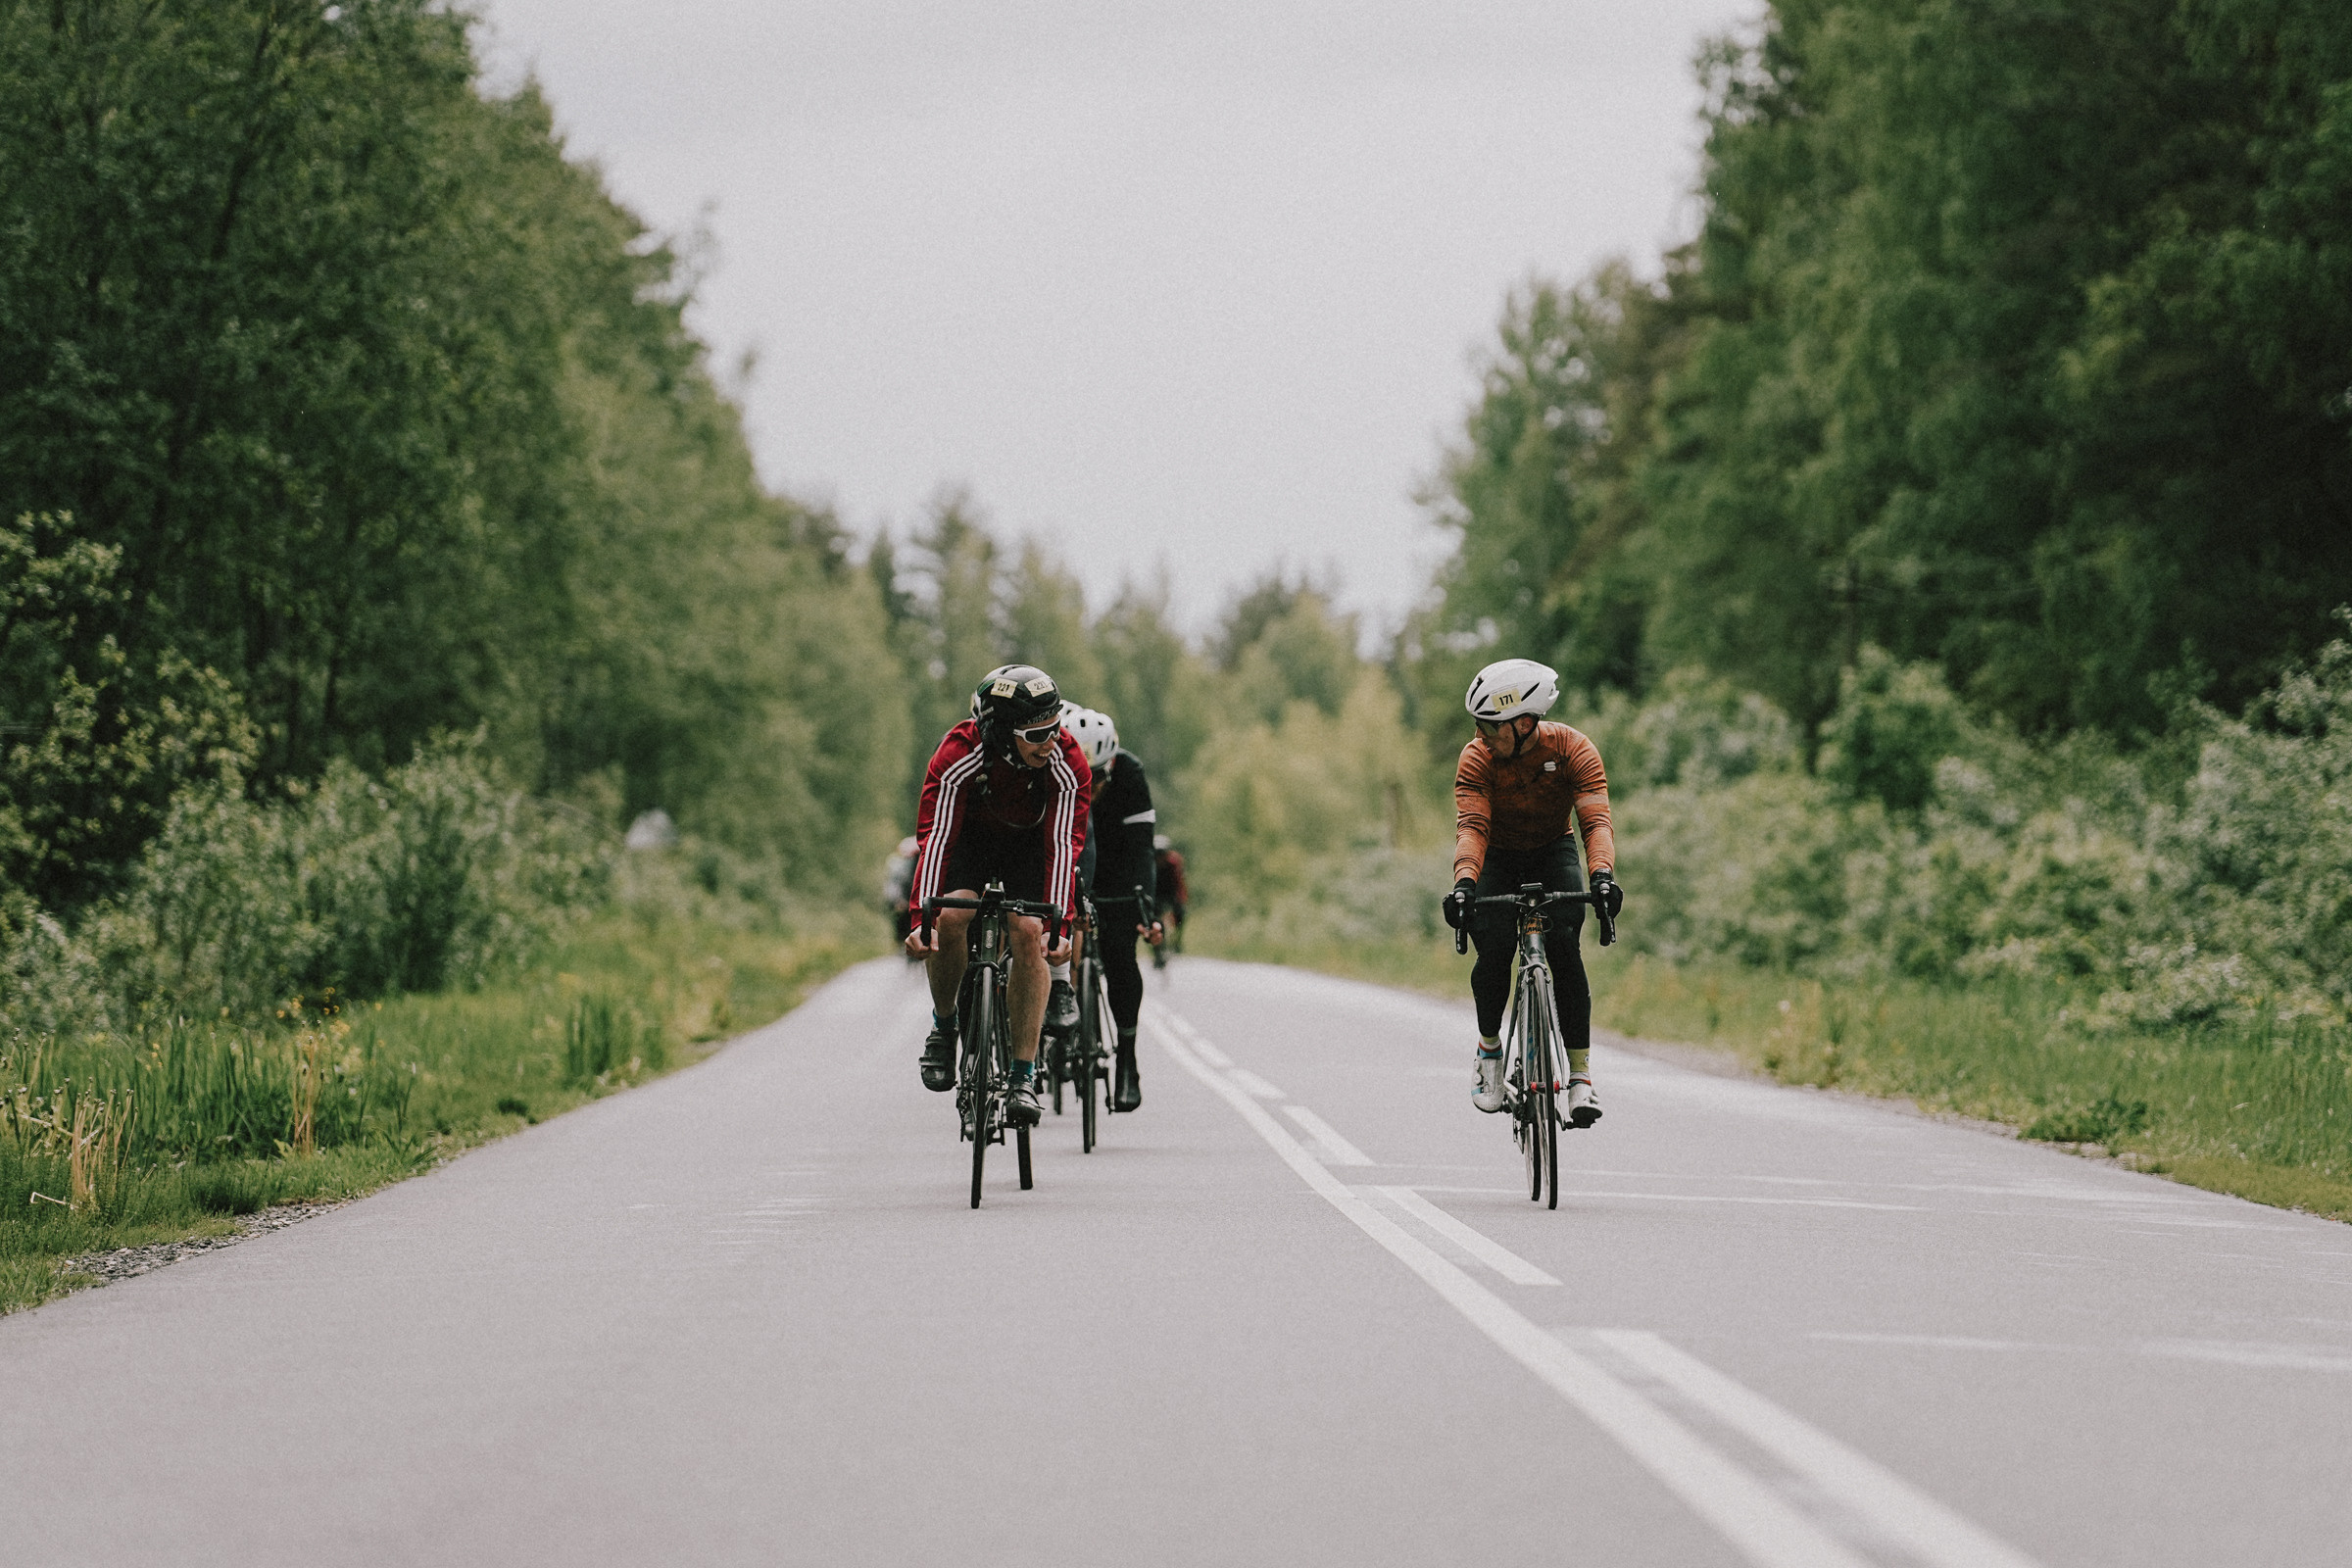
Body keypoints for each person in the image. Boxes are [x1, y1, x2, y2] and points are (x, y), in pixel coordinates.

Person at [1439, 658, 1623, 1127]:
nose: (1480, 735)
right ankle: (1489, 1051)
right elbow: (1472, 827)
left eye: (1489, 726)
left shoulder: (1573, 749)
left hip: (1553, 851)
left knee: (1565, 951)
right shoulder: (1477, 758)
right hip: (1497, 857)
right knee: (1495, 950)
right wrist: (1464, 884)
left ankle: (1580, 1078)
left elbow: (1595, 823)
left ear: (1523, 724)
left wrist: (1602, 876)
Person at [905, 664, 1091, 1127]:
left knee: (1028, 931)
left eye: (1056, 727)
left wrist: (1058, 926)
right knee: (949, 919)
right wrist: (920, 921)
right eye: (1038, 734)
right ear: (1003, 733)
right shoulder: (959, 753)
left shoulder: (1067, 760)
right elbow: (936, 840)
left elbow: (1063, 846)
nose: (1052, 742)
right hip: (970, 839)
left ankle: (1022, 1075)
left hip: (1031, 843)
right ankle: (944, 1027)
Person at [1053, 707, 1161, 1111]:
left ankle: (1127, 1060)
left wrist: (1146, 909)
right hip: (1070, 865)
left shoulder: (1130, 773)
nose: (1091, 785)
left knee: (1120, 956)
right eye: (1084, 774)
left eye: (1098, 776)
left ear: (1112, 765)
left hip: (1117, 868)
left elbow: (1143, 848)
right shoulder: (1054, 772)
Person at [1152, 834, 1187, 967]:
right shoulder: (1150, 863)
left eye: (1162, 854)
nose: (1160, 858)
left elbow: (1179, 882)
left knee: (1180, 913)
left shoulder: (1173, 862)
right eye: (1157, 854)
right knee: (1154, 920)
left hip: (1170, 891)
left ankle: (1177, 941)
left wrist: (1180, 900)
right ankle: (1157, 951)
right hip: (1155, 892)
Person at [882, 835, 919, 949]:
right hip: (905, 899)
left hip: (915, 898)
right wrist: (897, 900)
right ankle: (902, 944)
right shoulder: (898, 865)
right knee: (902, 919)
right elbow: (895, 883)